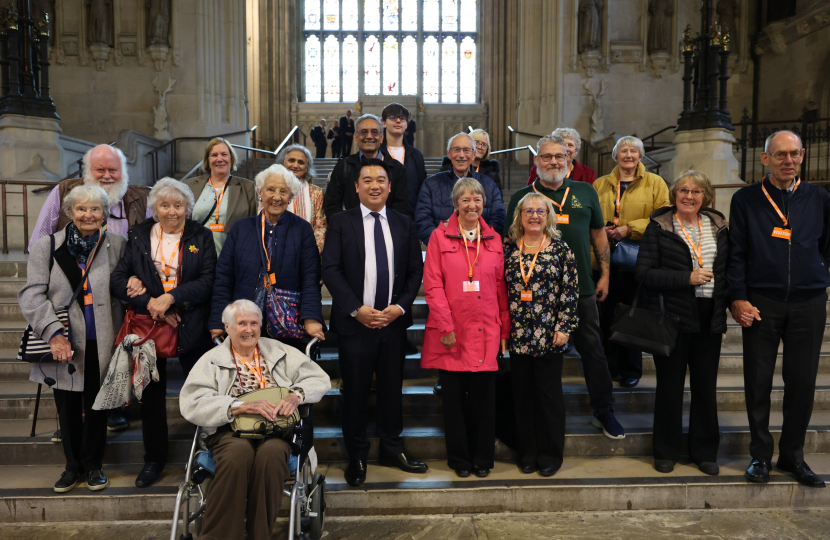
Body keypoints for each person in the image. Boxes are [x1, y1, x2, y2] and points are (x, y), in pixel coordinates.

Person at [505, 134, 625, 440]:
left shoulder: (585, 191)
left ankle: (604, 410)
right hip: (535, 298)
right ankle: (536, 421)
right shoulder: (522, 196)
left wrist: (605, 274)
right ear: (536, 160)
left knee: (593, 350)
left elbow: (598, 234)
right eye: (546, 156)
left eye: (559, 156)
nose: (553, 162)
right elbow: (510, 242)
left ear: (569, 159)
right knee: (539, 361)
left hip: (580, 289)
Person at [179, 299, 331, 540]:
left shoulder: (280, 351)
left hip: (276, 430)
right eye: (241, 323)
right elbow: (192, 402)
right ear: (227, 327)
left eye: (254, 323)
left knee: (272, 455)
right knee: (237, 454)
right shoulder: (211, 360)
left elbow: (320, 379)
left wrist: (297, 395)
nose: (248, 329)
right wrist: (237, 406)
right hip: (230, 431)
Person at [728, 130, 830, 488]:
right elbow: (736, 252)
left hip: (809, 302)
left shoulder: (819, 197)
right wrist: (738, 296)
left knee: (802, 383)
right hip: (762, 301)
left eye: (794, 154)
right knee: (757, 382)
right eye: (780, 154)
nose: (789, 160)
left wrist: (817, 273)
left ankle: (793, 456)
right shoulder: (746, 199)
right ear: (765, 159)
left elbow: (826, 244)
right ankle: (760, 455)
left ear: (802, 155)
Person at [28, 144, 151, 434]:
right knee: (75, 363)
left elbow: (147, 245)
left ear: (123, 172)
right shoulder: (63, 192)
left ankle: (111, 409)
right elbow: (39, 239)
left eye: (113, 170)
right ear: (87, 171)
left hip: (115, 296)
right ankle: (73, 421)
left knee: (108, 360)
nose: (107, 175)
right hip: (70, 290)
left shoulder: (139, 197)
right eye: (100, 169)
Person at [322, 158, 427, 487]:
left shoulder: (404, 223)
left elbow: (415, 271)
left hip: (393, 324)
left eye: (380, 179)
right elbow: (330, 270)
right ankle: (357, 455)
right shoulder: (341, 222)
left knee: (391, 390)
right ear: (356, 187)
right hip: (356, 325)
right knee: (354, 392)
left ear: (390, 186)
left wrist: (399, 307)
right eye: (367, 180)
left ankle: (392, 449)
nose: (374, 185)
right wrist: (357, 309)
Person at [110, 178, 217, 488]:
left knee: (202, 393)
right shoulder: (139, 235)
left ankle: (206, 456)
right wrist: (149, 302)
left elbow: (208, 281)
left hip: (191, 325)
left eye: (178, 205)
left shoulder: (201, 235)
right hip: (149, 327)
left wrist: (171, 298)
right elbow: (118, 281)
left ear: (188, 207)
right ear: (154, 208)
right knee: (151, 399)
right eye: (165, 205)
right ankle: (153, 460)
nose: (172, 211)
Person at [20, 185, 125, 492]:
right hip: (64, 338)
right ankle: (72, 466)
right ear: (69, 212)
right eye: (81, 209)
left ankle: (93, 466)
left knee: (97, 404)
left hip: (102, 338)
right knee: (66, 406)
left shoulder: (116, 244)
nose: (88, 215)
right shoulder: (47, 246)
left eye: (95, 209)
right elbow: (31, 294)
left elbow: (124, 282)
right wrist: (53, 334)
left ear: (104, 213)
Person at [636, 171, 729, 475]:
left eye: (696, 191)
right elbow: (644, 274)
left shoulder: (718, 226)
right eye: (683, 190)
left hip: (709, 316)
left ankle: (705, 451)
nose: (689, 196)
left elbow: (728, 269)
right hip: (672, 316)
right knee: (670, 386)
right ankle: (666, 451)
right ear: (674, 194)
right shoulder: (659, 226)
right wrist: (685, 278)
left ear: (706, 197)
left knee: (705, 386)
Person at [421, 177, 509, 478]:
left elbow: (501, 289)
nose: (472, 205)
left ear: (484, 203)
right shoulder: (439, 237)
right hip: (453, 332)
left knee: (484, 402)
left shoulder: (494, 239)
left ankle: (483, 458)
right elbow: (433, 285)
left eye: (477, 199)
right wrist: (445, 326)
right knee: (455, 404)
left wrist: (504, 331)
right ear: (455, 204)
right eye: (465, 199)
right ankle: (459, 459)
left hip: (487, 331)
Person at [503, 193, 579, 476]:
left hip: (549, 334)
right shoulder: (509, 250)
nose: (534, 216)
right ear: (519, 216)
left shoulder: (561, 249)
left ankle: (550, 454)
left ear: (548, 216)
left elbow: (570, 291)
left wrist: (563, 326)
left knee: (548, 397)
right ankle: (527, 452)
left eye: (540, 211)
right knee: (522, 396)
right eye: (528, 211)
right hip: (518, 334)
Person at [209, 164, 324, 349]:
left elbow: (310, 278)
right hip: (243, 322)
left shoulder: (302, 229)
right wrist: (218, 319)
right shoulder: (241, 228)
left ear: (291, 197)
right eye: (270, 190)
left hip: (285, 323)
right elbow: (223, 278)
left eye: (283, 191)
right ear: (259, 192)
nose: (276, 197)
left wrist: (311, 318)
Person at [594, 135, 669, 388]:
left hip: (638, 259)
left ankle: (630, 369)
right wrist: (602, 229)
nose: (628, 155)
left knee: (633, 314)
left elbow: (663, 218)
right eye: (623, 151)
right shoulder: (601, 184)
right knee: (606, 316)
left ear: (640, 156)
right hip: (606, 260)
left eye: (633, 151)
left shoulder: (655, 183)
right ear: (615, 156)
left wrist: (630, 229)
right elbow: (592, 217)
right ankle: (609, 367)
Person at [416, 133, 506, 246]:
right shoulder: (431, 184)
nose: (461, 155)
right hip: (442, 250)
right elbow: (422, 220)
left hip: (479, 250)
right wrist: (442, 245)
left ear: (474, 154)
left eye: (466, 150)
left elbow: (498, 218)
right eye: (456, 150)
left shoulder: (489, 184)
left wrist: (479, 245)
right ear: (449, 154)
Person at [323, 113, 409, 219]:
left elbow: (402, 206)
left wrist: (381, 224)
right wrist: (349, 225)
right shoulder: (344, 167)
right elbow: (331, 205)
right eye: (364, 132)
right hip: (351, 228)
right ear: (356, 137)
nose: (369, 136)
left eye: (374, 132)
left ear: (381, 137)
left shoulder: (397, 169)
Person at [184, 138, 258, 256]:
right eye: (214, 155)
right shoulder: (190, 185)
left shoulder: (248, 187)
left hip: (234, 257)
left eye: (224, 154)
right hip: (197, 256)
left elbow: (254, 225)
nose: (219, 159)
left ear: (231, 158)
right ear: (208, 160)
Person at [276, 144, 328, 253]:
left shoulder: (316, 192)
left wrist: (311, 252)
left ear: (306, 167)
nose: (295, 165)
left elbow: (321, 227)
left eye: (301, 162)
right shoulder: (271, 190)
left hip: (309, 253)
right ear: (283, 163)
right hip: (278, 251)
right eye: (291, 160)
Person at [380, 102, 427, 219]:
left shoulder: (416, 155)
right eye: (392, 117)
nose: (398, 120)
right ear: (383, 122)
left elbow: (421, 190)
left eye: (402, 118)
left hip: (410, 218)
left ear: (407, 124)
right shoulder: (376, 153)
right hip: (381, 216)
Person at [526, 127, 597, 186]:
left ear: (576, 150)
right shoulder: (539, 170)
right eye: (563, 145)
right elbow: (530, 194)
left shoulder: (588, 173)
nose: (566, 149)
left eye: (570, 145)